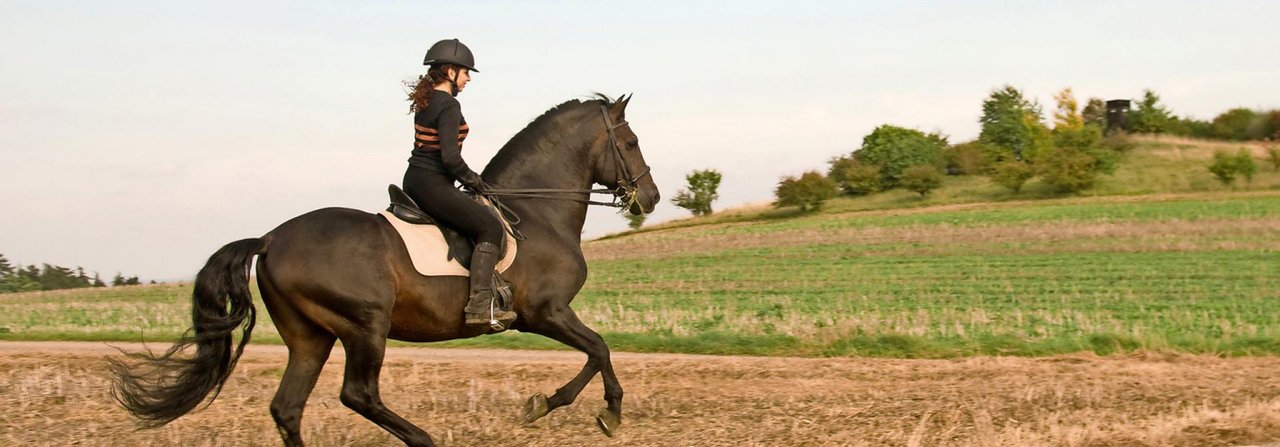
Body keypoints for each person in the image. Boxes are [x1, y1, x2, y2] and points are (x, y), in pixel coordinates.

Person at [403, 38, 515, 329]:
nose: (467, 79)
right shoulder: (449, 105)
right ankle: (479, 305)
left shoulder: (427, 101)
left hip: (416, 179)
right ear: (450, 71)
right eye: (466, 73)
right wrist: (475, 182)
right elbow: (450, 159)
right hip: (433, 183)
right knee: (489, 226)